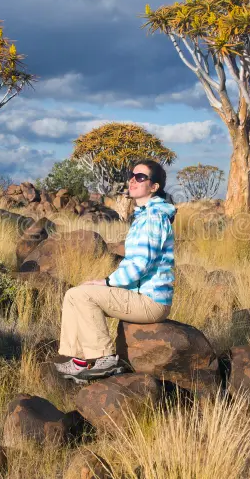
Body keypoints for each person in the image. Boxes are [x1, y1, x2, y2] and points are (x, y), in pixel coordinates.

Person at [53, 159, 176, 383]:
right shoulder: (144, 215)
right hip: (137, 294)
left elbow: (141, 264)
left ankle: (104, 358)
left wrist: (108, 282)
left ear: (154, 186)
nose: (133, 180)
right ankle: (79, 360)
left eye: (140, 177)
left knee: (84, 295)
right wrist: (106, 282)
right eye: (132, 176)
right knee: (73, 294)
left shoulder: (153, 217)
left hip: (151, 301)